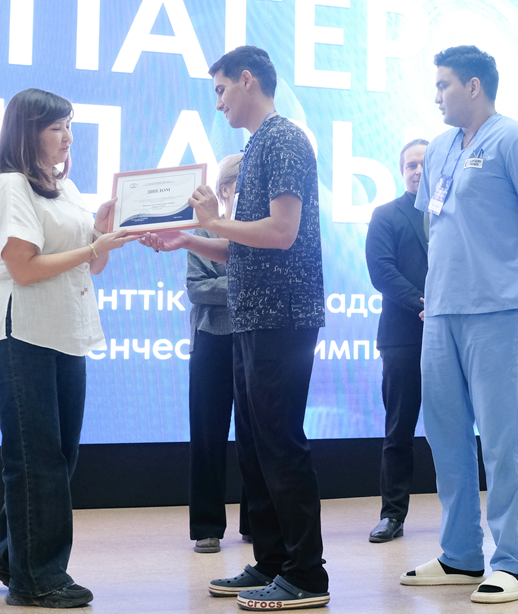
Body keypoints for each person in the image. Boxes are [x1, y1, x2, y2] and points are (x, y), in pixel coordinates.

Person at [141, 45, 329, 611]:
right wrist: (188, 238)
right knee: (255, 447)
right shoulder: (257, 146)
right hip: (252, 317)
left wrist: (212, 221)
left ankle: (306, 575)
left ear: (248, 80)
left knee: (280, 444)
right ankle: (271, 562)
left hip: (282, 315)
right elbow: (246, 246)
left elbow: (282, 232)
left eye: (221, 89)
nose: (218, 102)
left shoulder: (284, 138)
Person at [402, 45, 518, 604]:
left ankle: (511, 564)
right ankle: (460, 555)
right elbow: (437, 227)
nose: (437, 96)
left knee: (499, 439)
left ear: (474, 86)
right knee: (446, 437)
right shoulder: (439, 147)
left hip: (498, 312)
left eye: (443, 85)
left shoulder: (517, 140)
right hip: (442, 312)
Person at [0, 88, 139, 608]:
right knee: (36, 459)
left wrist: (101, 232)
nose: (67, 137)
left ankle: (4, 554)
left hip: (66, 330)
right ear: (28, 133)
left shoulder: (65, 188)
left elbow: (94, 263)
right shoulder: (9, 185)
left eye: (69, 126)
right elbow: (22, 267)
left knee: (58, 458)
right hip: (22, 332)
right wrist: (91, 247)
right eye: (56, 127)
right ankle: (37, 579)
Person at [365, 139, 430, 543]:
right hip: (403, 337)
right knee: (399, 430)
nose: (417, 171)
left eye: (424, 163)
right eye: (410, 165)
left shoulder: (454, 214)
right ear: (401, 170)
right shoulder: (386, 214)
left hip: (452, 335)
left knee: (455, 428)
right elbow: (381, 272)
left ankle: (460, 515)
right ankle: (392, 515)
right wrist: (424, 304)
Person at [187, 152, 251, 553]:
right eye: (244, 184)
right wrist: (248, 286)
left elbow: (217, 287)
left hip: (253, 339)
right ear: (225, 190)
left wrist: (231, 285)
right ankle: (206, 526)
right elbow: (198, 288)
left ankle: (255, 522)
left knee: (253, 435)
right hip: (211, 339)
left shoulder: (261, 231)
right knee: (208, 433)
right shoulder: (202, 233)